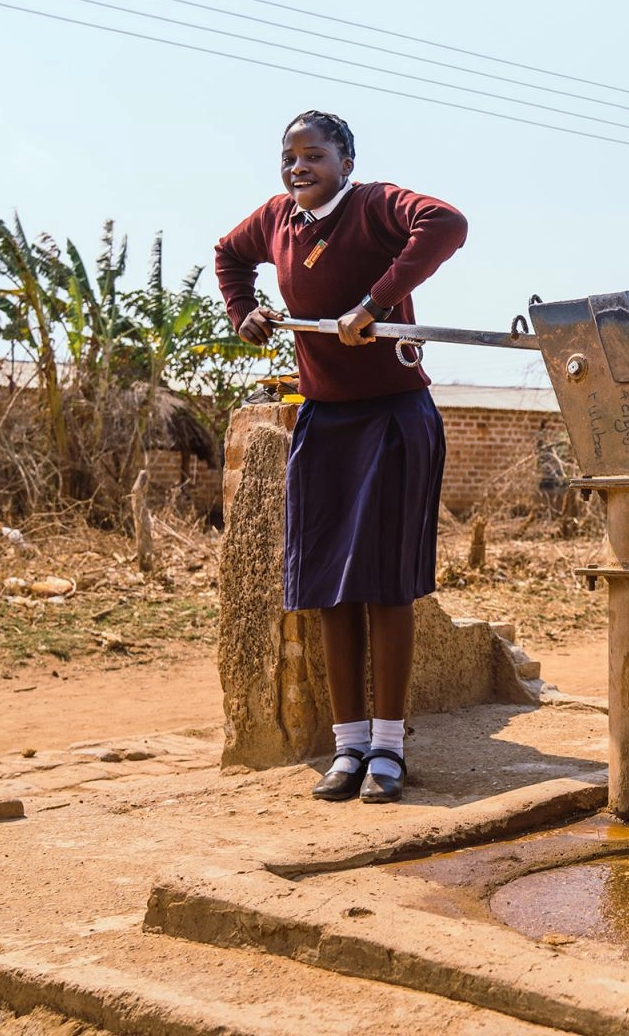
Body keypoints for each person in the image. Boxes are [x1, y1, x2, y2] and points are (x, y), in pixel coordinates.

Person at [215, 110, 468, 804]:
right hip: (323, 421)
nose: (299, 168)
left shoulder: (374, 205)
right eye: (289, 157)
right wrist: (246, 311)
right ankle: (347, 746)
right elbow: (229, 256)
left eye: (314, 156)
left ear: (346, 161)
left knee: (385, 587)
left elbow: (446, 224)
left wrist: (375, 302)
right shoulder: (276, 220)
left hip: (392, 417)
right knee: (327, 587)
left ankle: (388, 749)